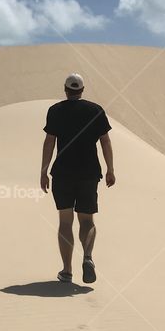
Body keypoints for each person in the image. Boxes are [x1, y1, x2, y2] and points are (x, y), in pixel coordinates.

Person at [40, 73, 115, 284]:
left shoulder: (55, 111)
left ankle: (66, 270)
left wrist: (44, 171)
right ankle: (88, 257)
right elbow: (105, 142)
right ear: (82, 91)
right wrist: (110, 168)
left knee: (65, 221)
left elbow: (49, 142)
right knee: (87, 220)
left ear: (65, 90)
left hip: (63, 173)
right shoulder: (95, 110)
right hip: (89, 173)